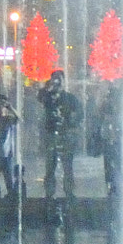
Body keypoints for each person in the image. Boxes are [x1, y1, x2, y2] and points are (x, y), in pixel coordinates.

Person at [37, 71, 83, 201]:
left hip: (65, 135)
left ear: (63, 81)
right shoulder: (47, 96)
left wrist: (73, 124)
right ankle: (49, 193)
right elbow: (39, 97)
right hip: (51, 134)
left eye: (59, 79)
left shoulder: (69, 98)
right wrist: (47, 87)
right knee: (50, 165)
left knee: (67, 165)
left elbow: (80, 112)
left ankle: (69, 191)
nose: (57, 82)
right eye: (54, 79)